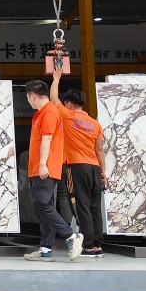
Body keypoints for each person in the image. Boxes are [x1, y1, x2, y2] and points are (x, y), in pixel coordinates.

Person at [22, 80, 84, 262]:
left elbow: (47, 140)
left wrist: (43, 164)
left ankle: (71, 236)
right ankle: (46, 249)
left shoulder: (48, 112)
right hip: (41, 168)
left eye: (28, 98)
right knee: (44, 208)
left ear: (33, 96)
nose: (28, 101)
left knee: (41, 205)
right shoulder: (44, 113)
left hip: (44, 168)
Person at [50, 67, 108, 257]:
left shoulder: (68, 116)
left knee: (80, 206)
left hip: (76, 167)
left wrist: (56, 78)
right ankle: (98, 246)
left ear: (69, 103)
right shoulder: (95, 124)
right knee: (94, 208)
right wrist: (103, 172)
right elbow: (99, 150)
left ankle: (88, 246)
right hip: (94, 168)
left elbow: (53, 98)